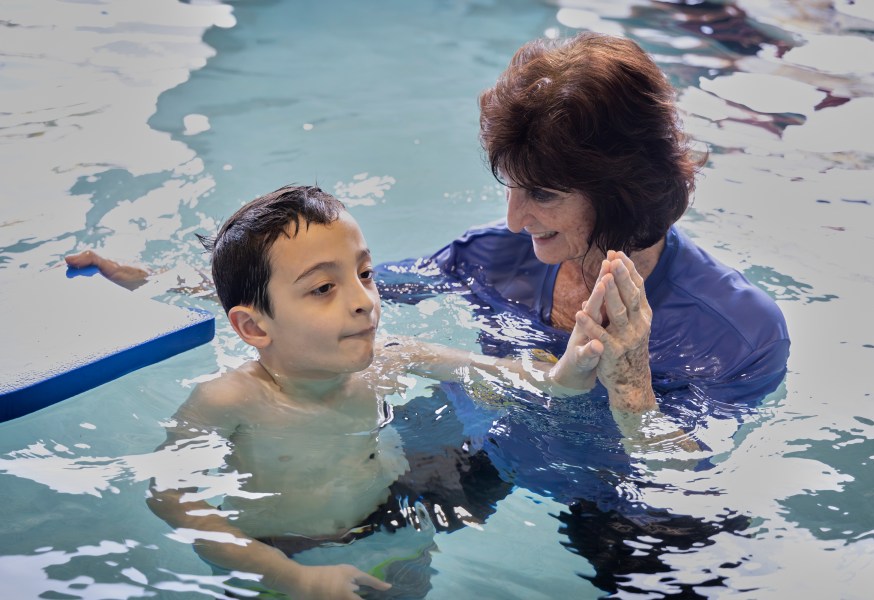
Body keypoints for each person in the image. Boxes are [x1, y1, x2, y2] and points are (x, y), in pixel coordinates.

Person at [142, 184, 609, 600]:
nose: (364, 300)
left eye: (364, 274)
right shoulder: (230, 399)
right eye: (324, 287)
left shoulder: (389, 356)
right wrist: (291, 578)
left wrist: (562, 376)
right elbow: (168, 495)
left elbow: (491, 372)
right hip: (282, 563)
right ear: (253, 326)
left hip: (392, 530)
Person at [411, 31, 790, 409]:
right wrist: (539, 376)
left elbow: (686, 466)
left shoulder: (738, 334)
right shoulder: (488, 258)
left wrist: (632, 387)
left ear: (622, 192)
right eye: (510, 187)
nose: (514, 222)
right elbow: (365, 314)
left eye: (543, 194)